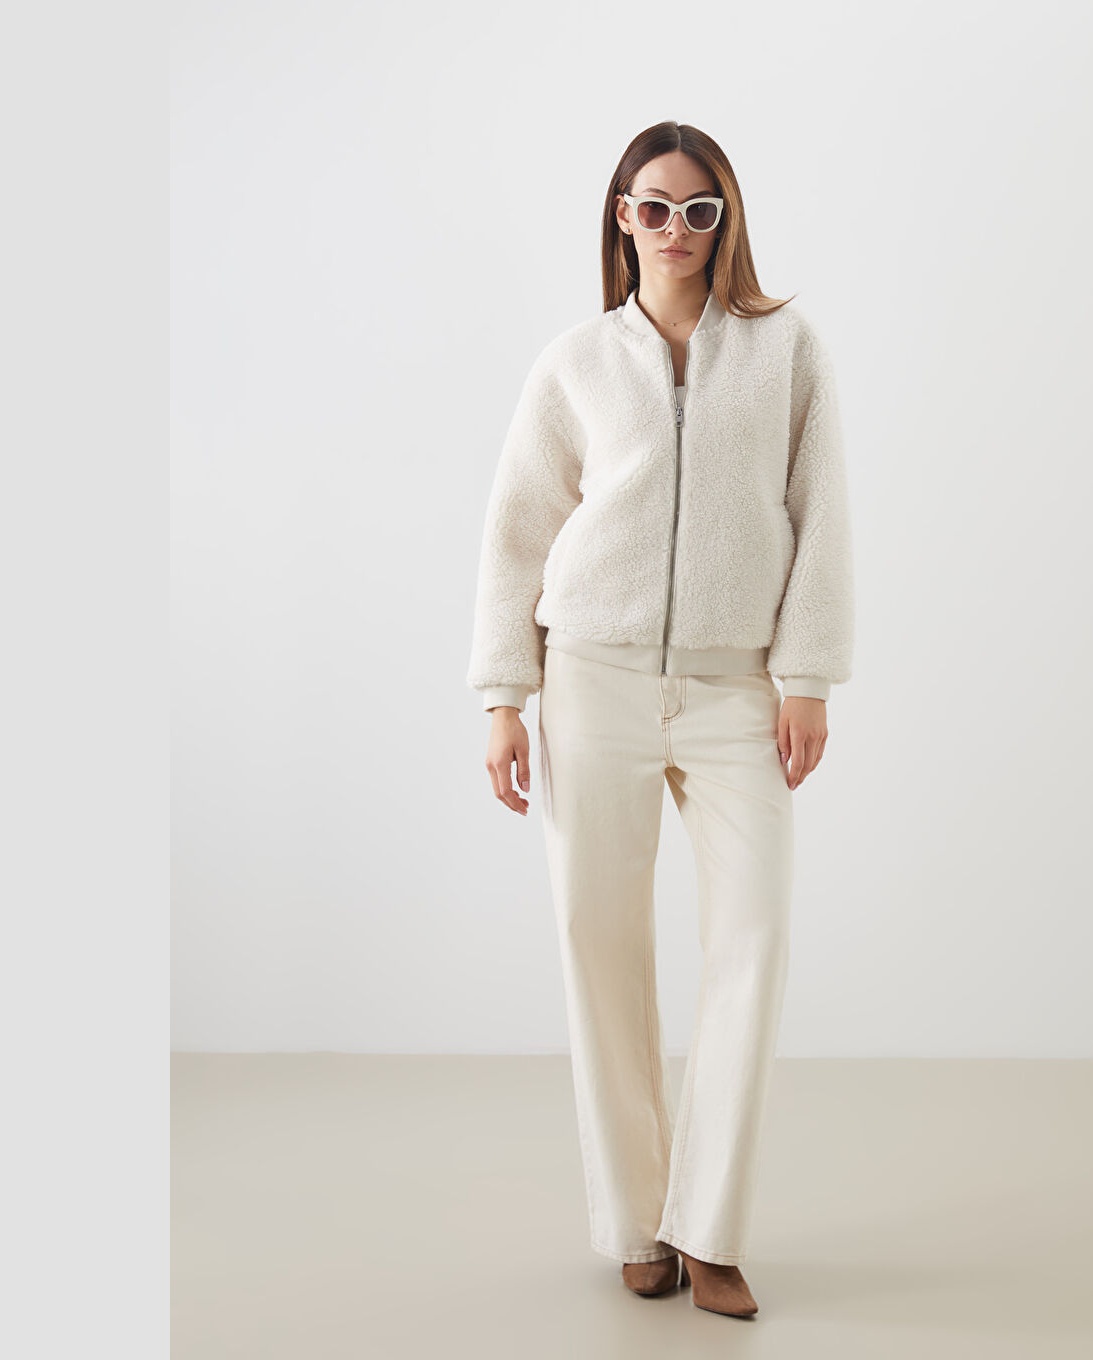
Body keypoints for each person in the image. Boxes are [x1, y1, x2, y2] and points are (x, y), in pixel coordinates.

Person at [467, 120, 855, 1319]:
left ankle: (711, 1228)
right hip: (593, 677)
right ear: (619, 216)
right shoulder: (575, 362)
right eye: (652, 206)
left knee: (753, 938)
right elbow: (517, 530)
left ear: (726, 217)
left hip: (736, 689)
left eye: (698, 208)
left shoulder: (785, 351)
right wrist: (503, 695)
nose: (674, 228)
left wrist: (806, 675)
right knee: (599, 944)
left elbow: (821, 510)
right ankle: (638, 1222)